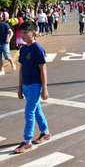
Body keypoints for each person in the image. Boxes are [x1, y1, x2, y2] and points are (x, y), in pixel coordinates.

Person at [13, 20, 51, 154]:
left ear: (33, 33)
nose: (22, 35)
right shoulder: (23, 49)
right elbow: (21, 69)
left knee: (29, 112)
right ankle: (45, 132)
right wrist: (19, 88)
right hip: (25, 85)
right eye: (21, 32)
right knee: (36, 110)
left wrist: (44, 89)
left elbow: (43, 70)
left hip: (35, 85)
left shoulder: (38, 49)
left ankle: (27, 141)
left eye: (25, 32)